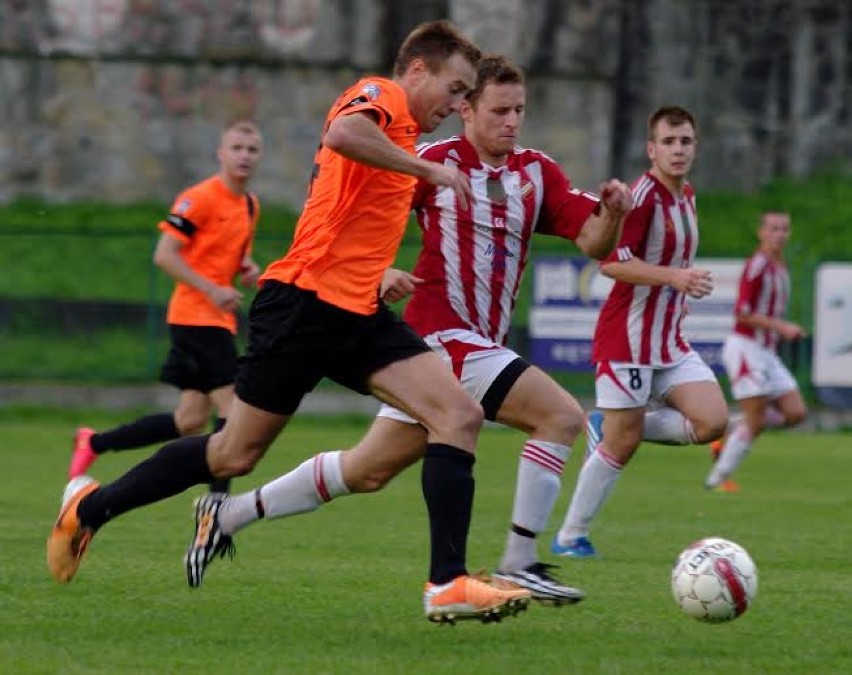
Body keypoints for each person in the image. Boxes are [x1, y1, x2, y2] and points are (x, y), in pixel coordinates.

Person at [47, 20, 535, 625]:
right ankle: (89, 511)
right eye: (455, 89)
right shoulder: (379, 97)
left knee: (457, 414)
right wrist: (427, 172)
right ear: (417, 71)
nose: (459, 105)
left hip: (358, 311)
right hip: (303, 303)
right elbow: (342, 132)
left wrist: (382, 266)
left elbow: (350, 204)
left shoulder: (406, 134)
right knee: (232, 455)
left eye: (468, 96)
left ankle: (447, 584)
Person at [182, 55, 633, 607]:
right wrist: (375, 271)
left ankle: (228, 514)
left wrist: (611, 213)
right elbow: (353, 202)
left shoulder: (536, 172)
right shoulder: (430, 161)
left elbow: (593, 242)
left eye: (519, 110)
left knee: (367, 471)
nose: (512, 121)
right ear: (465, 108)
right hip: (441, 337)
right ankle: (519, 562)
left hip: (478, 346)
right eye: (499, 110)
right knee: (560, 416)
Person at [552, 105, 729, 558]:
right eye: (668, 142)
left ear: (695, 147)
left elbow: (671, 264)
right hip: (627, 339)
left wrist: (679, 291)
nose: (677, 150)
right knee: (623, 444)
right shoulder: (641, 197)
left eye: (685, 141)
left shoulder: (686, 196)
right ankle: (571, 537)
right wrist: (674, 279)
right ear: (652, 149)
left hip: (668, 341)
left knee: (713, 421)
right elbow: (611, 262)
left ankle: (606, 425)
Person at [67, 120, 263, 495]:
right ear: (220, 153)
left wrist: (246, 268)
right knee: (234, 410)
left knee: (188, 420)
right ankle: (217, 506)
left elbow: (228, 253)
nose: (244, 156)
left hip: (216, 318)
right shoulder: (200, 197)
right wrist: (211, 289)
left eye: (252, 150)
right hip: (194, 317)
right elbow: (165, 255)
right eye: (236, 148)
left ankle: (94, 443)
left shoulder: (250, 206)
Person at [704, 212, 807, 491]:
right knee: (757, 420)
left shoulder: (781, 266)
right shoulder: (757, 265)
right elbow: (743, 313)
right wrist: (782, 327)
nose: (780, 235)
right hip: (745, 348)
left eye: (785, 229)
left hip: (766, 351)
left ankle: (734, 426)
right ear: (762, 233)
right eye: (774, 229)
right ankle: (716, 480)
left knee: (796, 413)